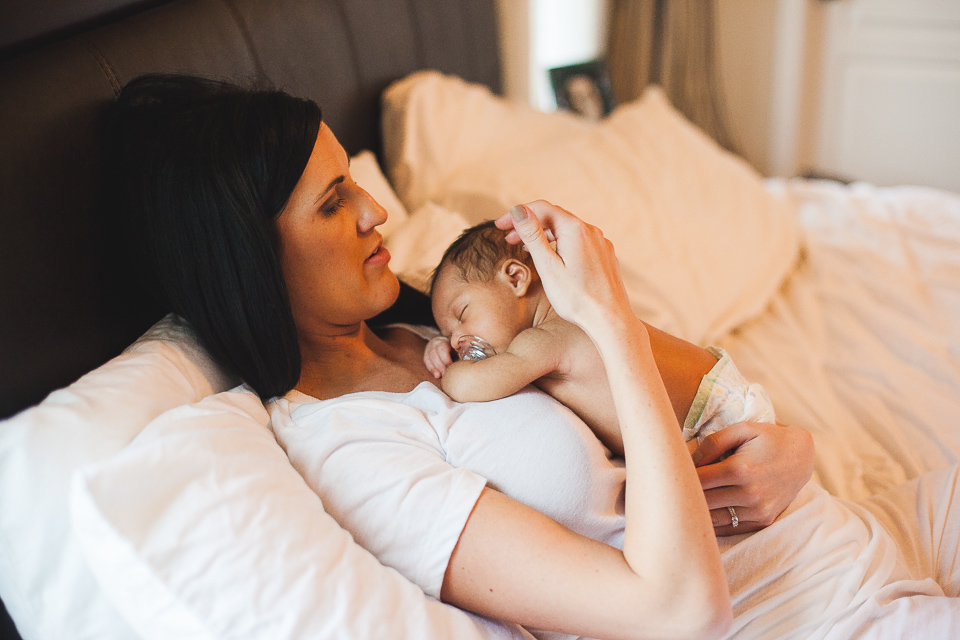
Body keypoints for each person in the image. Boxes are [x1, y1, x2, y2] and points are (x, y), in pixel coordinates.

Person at [108, 73, 960, 640]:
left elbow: (663, 393)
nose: (377, 209)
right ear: (247, 255)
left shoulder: (423, 319)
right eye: (335, 202)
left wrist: (786, 446)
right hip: (809, 613)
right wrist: (610, 315)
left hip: (856, 526)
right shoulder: (351, 451)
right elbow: (679, 608)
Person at [424, 219, 774, 460]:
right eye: (446, 334)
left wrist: (449, 369)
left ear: (516, 278)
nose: (456, 339)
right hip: (712, 407)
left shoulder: (556, 333)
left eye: (462, 314)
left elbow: (471, 385)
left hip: (715, 417)